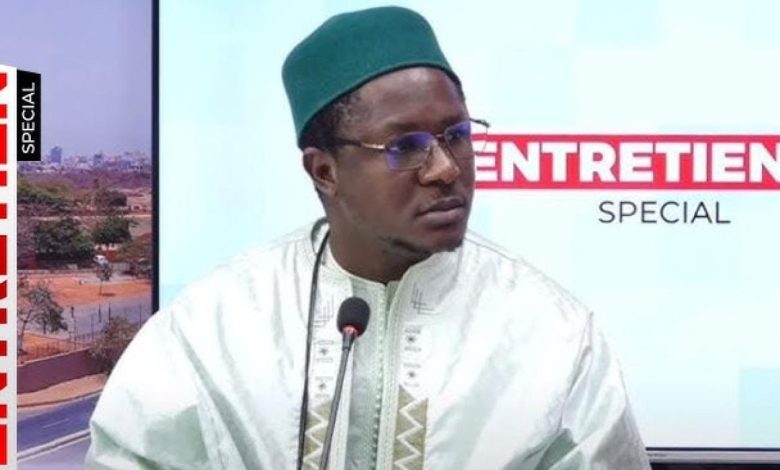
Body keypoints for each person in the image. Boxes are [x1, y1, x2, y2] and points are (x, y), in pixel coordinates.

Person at [86, 6, 651, 469]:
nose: (445, 169)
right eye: (406, 147)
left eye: (456, 135)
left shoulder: (553, 336)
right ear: (324, 171)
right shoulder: (209, 333)